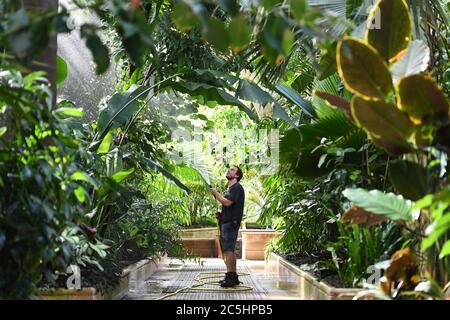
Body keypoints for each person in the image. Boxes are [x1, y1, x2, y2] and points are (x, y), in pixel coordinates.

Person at [209, 166, 245, 287]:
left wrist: (215, 193)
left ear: (237, 176)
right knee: (226, 250)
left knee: (229, 250)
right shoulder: (230, 189)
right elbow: (229, 205)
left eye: (232, 170)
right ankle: (231, 276)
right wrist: (221, 215)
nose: (229, 170)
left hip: (231, 223)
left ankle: (232, 277)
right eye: (229, 169)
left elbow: (227, 202)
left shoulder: (237, 188)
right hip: (226, 222)